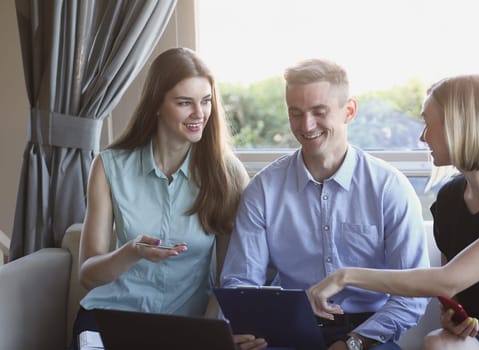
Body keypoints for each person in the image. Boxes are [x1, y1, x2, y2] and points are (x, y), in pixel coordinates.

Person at [308, 74, 479, 349]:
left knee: (438, 344)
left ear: (459, 126)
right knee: (439, 339)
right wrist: (455, 318)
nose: (422, 137)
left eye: (428, 123)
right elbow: (454, 296)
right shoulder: (449, 198)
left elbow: (448, 280)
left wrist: (345, 275)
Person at [221, 58, 430, 350]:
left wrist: (354, 342)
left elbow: (414, 292)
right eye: (296, 113)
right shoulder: (263, 190)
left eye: (319, 112)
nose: (306, 126)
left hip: (368, 334)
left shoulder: (389, 187)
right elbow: (240, 284)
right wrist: (247, 329)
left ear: (349, 111)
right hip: (286, 330)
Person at [70, 47, 250, 349]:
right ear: (156, 104)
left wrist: (210, 335)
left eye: (205, 101)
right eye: (184, 103)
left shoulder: (227, 173)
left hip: (185, 327)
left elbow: (228, 278)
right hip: (109, 318)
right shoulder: (109, 166)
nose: (199, 114)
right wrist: (131, 252)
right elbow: (88, 276)